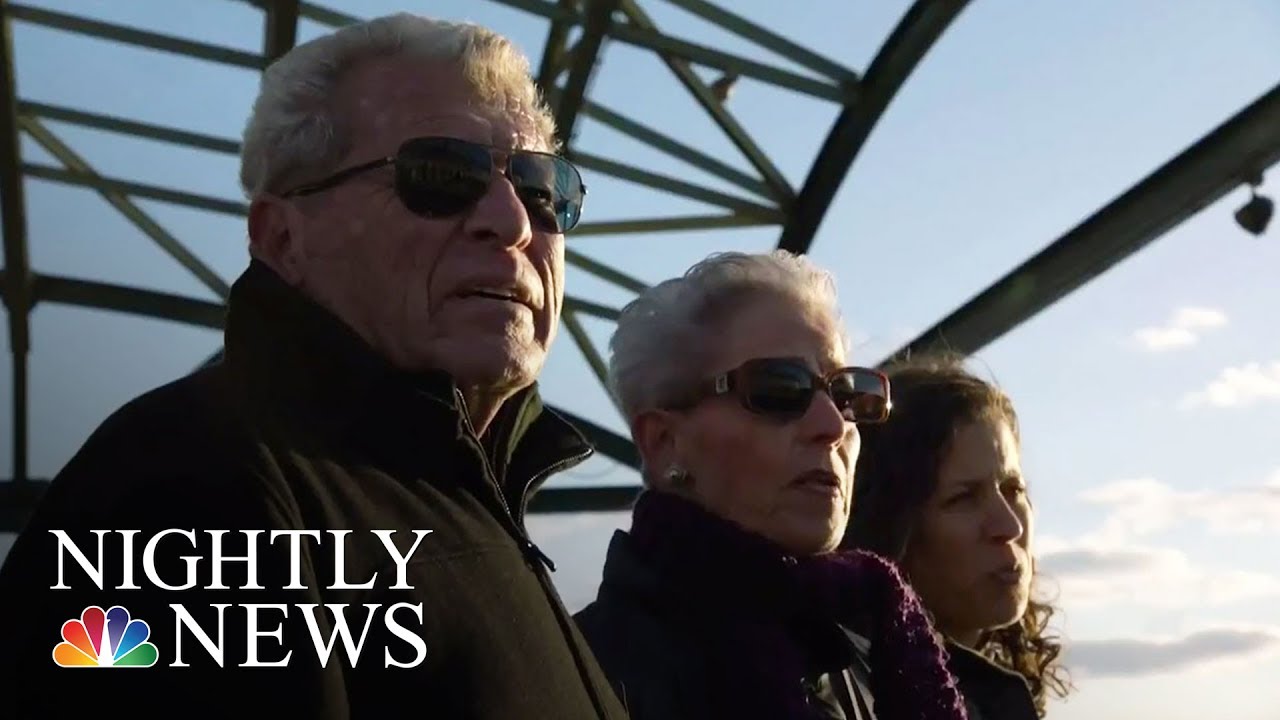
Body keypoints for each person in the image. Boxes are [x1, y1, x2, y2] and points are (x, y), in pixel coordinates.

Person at [0, 13, 628, 720]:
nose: (513, 223)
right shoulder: (193, 494)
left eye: (543, 189)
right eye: (444, 175)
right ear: (283, 239)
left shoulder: (467, 504)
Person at [574, 250, 970, 720]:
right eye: (780, 389)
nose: (831, 424)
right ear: (664, 444)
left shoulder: (878, 652)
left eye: (846, 395)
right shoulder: (580, 679)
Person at [843, 355, 1072, 720]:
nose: (1009, 526)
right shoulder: (836, 695)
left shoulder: (989, 696)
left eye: (1013, 489)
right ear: (892, 528)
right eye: (963, 498)